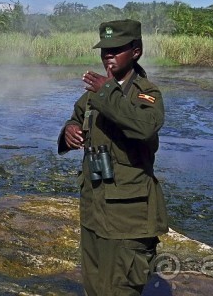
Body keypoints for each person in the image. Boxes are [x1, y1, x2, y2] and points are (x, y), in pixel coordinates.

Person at [57, 19, 168, 296]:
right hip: (94, 210)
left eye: (116, 49)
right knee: (94, 287)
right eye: (105, 50)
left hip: (127, 219)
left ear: (136, 51)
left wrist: (107, 91)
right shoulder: (94, 95)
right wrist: (68, 132)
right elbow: (76, 117)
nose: (108, 55)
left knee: (120, 289)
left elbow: (144, 126)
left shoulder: (146, 93)